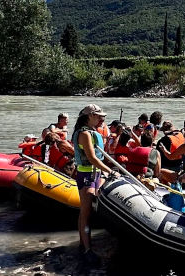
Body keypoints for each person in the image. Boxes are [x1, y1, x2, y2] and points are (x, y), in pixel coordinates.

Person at [72, 104, 115, 265]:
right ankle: (87, 249)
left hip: (94, 173)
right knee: (85, 213)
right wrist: (110, 171)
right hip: (86, 175)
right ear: (89, 116)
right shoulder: (84, 134)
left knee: (86, 212)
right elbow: (92, 158)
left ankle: (83, 244)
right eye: (98, 116)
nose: (101, 119)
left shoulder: (89, 132)